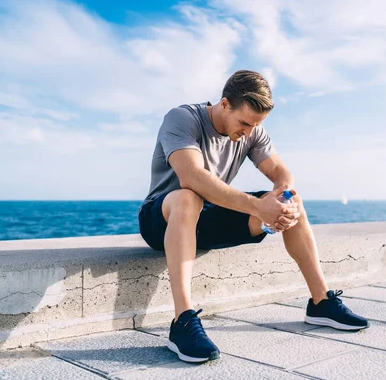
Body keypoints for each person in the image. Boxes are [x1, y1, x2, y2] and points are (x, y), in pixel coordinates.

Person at [138, 70, 368, 363]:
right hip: (163, 218)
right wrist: (259, 207)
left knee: (292, 199)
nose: (248, 132)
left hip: (206, 219)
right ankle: (183, 321)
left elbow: (281, 172)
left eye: (255, 125)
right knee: (188, 197)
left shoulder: (252, 129)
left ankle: (321, 302)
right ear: (224, 105)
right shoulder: (183, 119)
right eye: (244, 122)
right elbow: (192, 177)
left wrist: (282, 198)